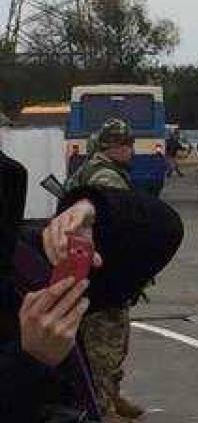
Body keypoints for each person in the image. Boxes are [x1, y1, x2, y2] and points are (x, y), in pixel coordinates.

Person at [2, 150, 183, 423]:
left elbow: (163, 228)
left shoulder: (26, 261)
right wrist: (31, 359)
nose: (128, 148)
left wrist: (92, 209)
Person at [64, 118, 152, 421]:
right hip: (104, 271)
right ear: (115, 146)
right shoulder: (107, 177)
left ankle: (111, 397)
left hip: (90, 268)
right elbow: (117, 224)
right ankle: (100, 408)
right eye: (128, 145)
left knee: (110, 338)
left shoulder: (90, 168)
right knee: (105, 342)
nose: (132, 151)